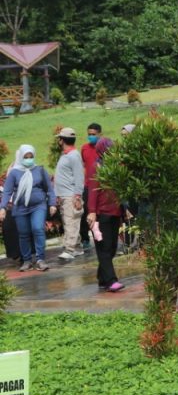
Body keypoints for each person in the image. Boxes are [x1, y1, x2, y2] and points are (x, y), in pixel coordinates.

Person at [0, 145, 58, 271]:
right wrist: (2, 207)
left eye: (31, 156)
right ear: (21, 157)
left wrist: (52, 204)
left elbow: (49, 189)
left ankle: (40, 259)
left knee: (38, 229)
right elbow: (7, 191)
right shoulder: (14, 173)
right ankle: (27, 260)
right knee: (23, 233)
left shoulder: (40, 170)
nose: (28, 159)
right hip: (20, 208)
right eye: (26, 157)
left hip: (38, 206)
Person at [86, 138, 127, 292]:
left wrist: (124, 209)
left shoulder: (116, 165)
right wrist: (92, 212)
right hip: (101, 213)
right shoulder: (96, 167)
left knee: (112, 247)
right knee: (104, 247)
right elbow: (93, 190)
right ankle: (111, 281)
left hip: (115, 211)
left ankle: (102, 278)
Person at [53, 127, 85, 262]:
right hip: (64, 195)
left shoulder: (73, 156)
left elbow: (79, 177)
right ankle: (76, 247)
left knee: (71, 221)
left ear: (62, 140)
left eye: (59, 139)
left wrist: (77, 196)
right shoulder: (66, 155)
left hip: (70, 195)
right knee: (69, 221)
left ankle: (70, 250)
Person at [79, 123, 111, 254]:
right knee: (89, 214)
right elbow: (84, 166)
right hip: (89, 186)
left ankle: (108, 239)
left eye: (93, 134)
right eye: (89, 134)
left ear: (100, 134)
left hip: (104, 187)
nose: (91, 136)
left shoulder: (105, 147)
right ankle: (92, 240)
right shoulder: (84, 148)